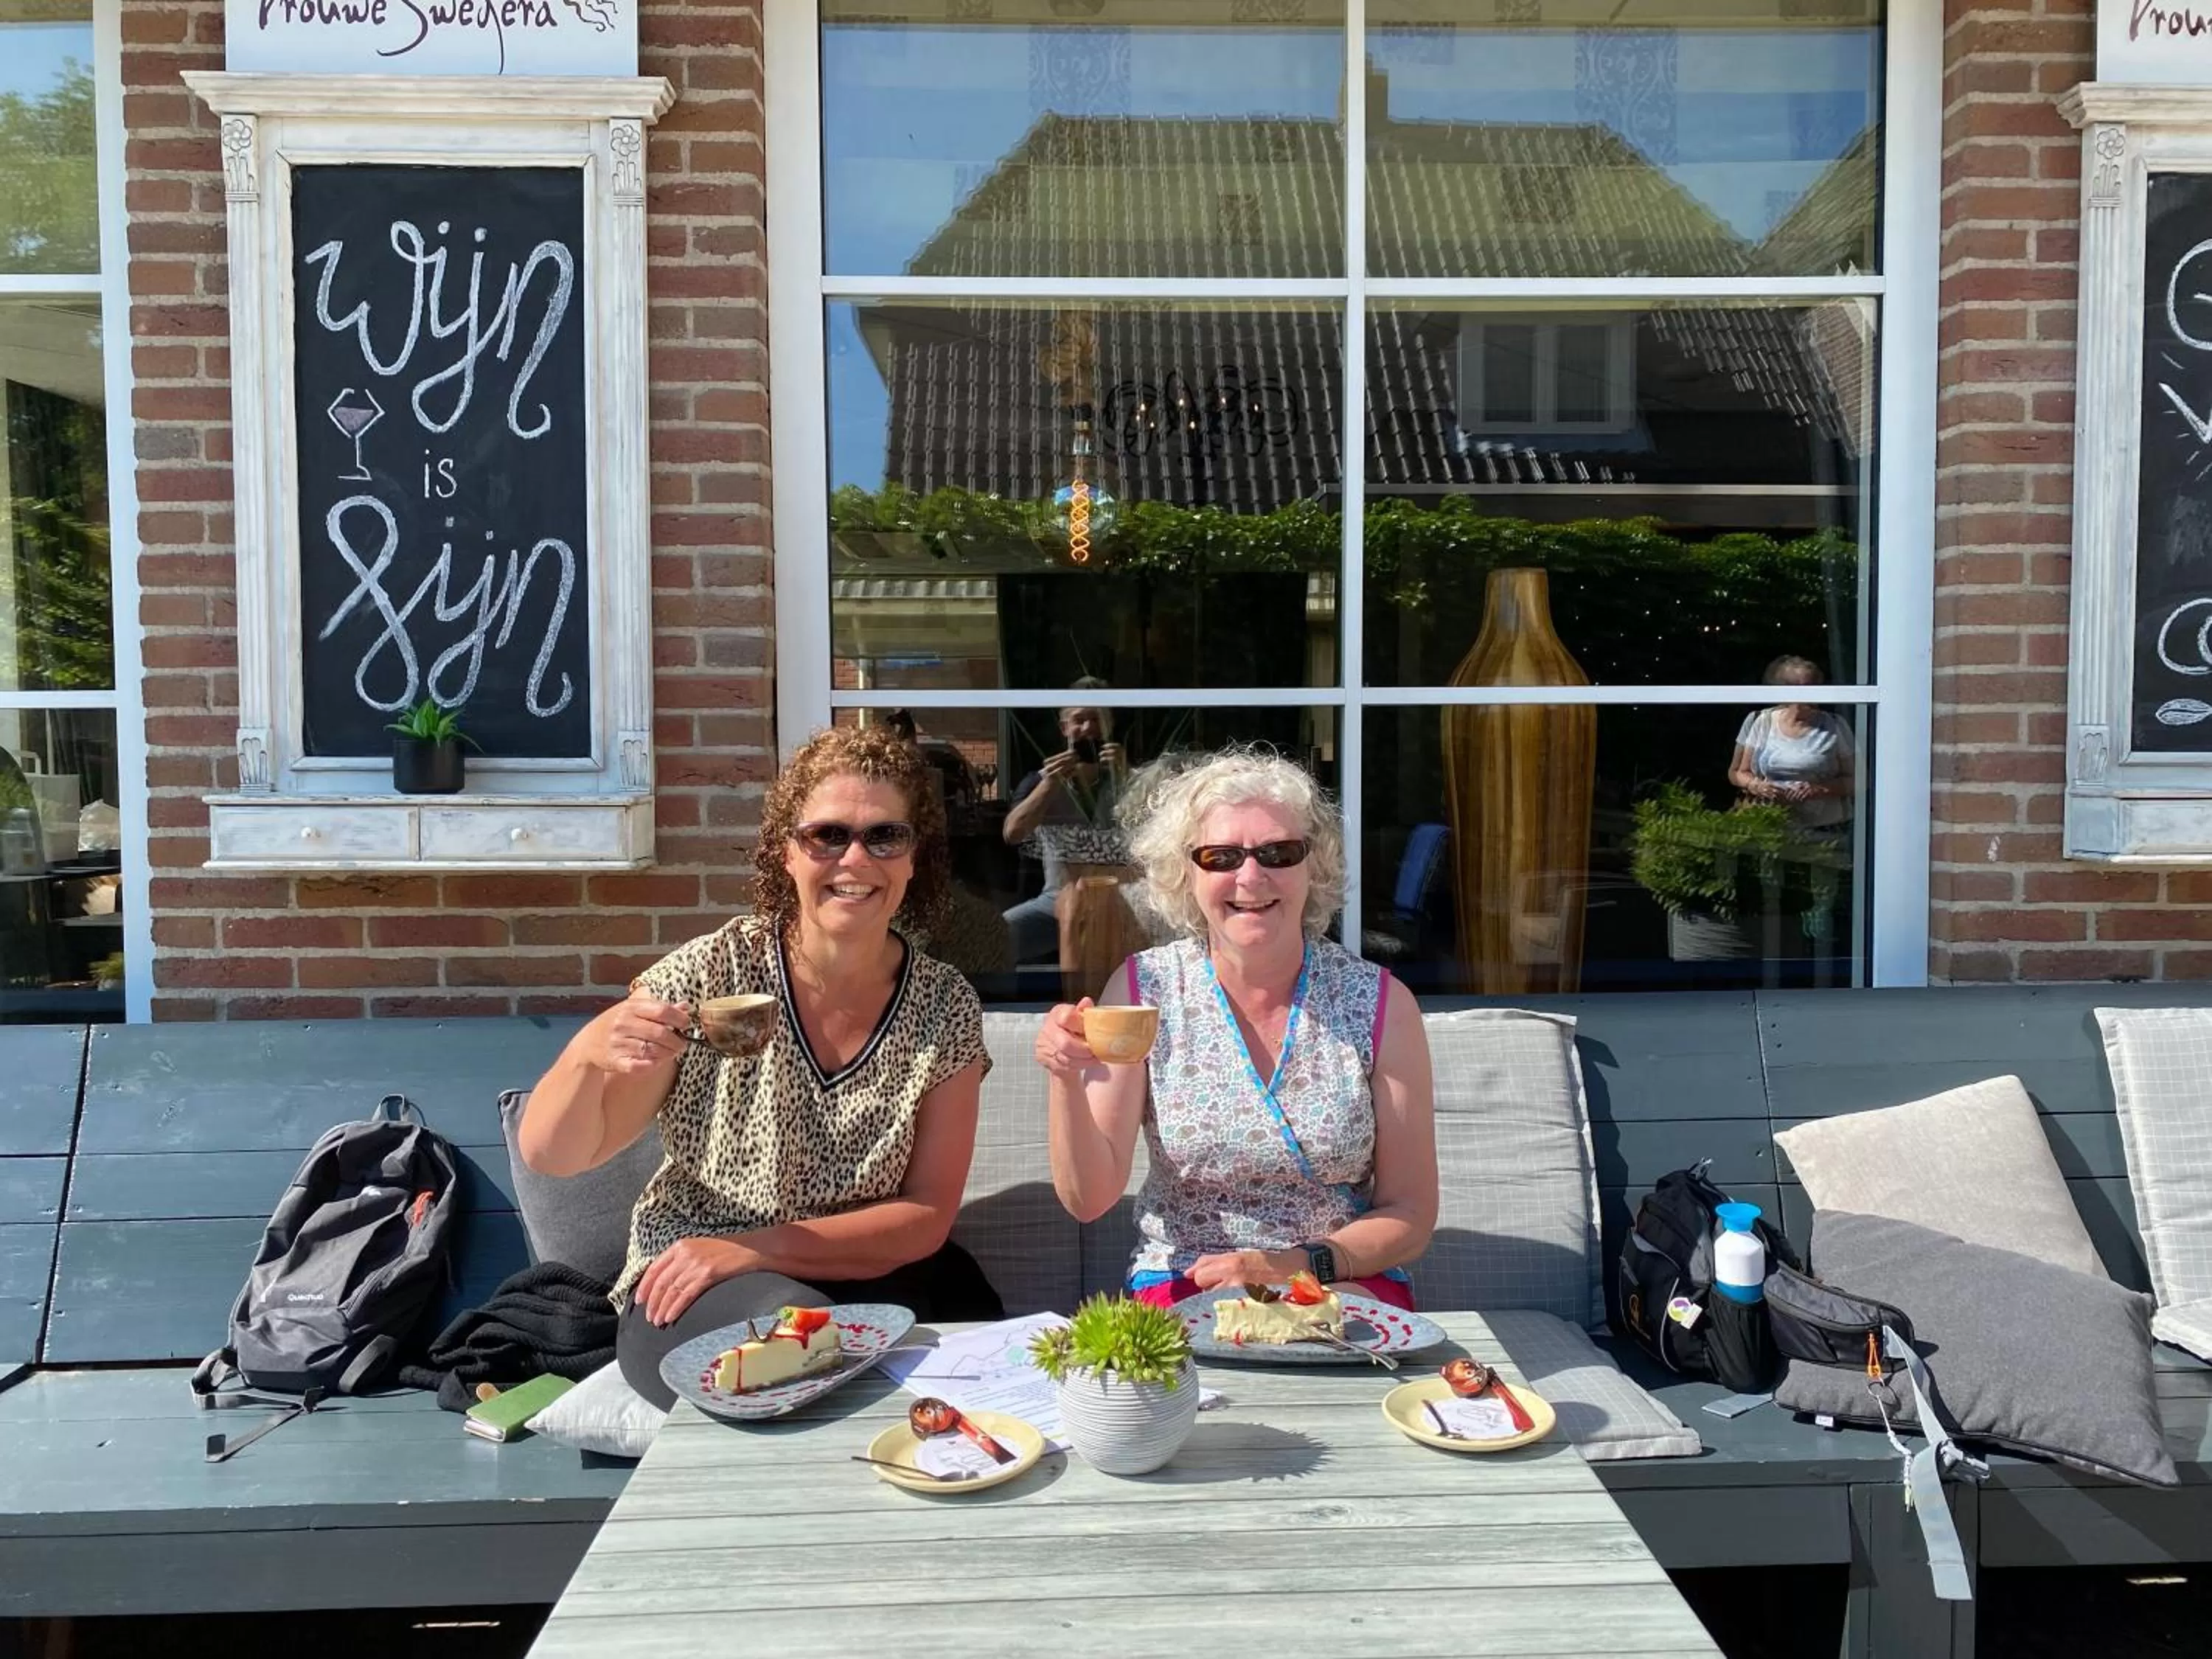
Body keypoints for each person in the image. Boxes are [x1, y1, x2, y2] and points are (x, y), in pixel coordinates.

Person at [518, 725, 1003, 1410]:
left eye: (884, 837)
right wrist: (587, 1054)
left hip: (861, 1265)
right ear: (786, 853)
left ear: (913, 858)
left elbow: (925, 1216)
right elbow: (557, 1154)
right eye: (827, 836)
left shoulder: (944, 1003)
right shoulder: (710, 974)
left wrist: (759, 1246)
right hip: (700, 1279)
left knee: (990, 1364)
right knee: (793, 1342)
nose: (855, 859)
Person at [1032, 746, 1439, 1309]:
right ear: (1185, 874)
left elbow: (1410, 1214)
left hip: (1337, 1280)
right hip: (1186, 1282)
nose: (1251, 876)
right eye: (1220, 857)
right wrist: (1063, 1077)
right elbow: (1088, 1199)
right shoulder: (1144, 991)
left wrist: (1296, 1266)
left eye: (1278, 853)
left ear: (1314, 866)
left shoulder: (1381, 1004)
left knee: (1331, 1358)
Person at [1000, 681, 1130, 966]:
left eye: (1097, 718)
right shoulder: (1041, 780)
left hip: (1121, 902)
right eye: (1079, 719)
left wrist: (1128, 778)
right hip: (1056, 902)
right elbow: (1013, 833)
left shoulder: (1130, 777)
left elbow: (1154, 830)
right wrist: (1050, 785)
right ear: (1064, 728)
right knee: (992, 939)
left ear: (1110, 724)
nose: (1088, 728)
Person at [1729, 655, 1857, 835]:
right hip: (1767, 825)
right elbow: (1737, 772)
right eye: (1805, 688)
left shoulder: (1835, 726)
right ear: (1785, 691)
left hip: (1823, 830)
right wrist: (1757, 786)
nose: (1813, 694)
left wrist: (1818, 790)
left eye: (1816, 687)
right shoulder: (1761, 721)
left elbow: (1857, 780)